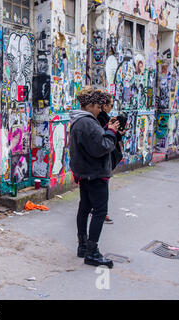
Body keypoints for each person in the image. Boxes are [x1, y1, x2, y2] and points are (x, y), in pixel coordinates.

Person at [69, 86, 120, 268]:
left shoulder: (80, 121)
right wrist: (111, 132)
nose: (100, 109)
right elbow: (102, 146)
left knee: (84, 208)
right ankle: (92, 252)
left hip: (85, 173)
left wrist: (106, 128)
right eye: (98, 106)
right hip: (95, 174)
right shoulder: (88, 122)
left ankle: (83, 246)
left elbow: (92, 143)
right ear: (90, 105)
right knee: (99, 212)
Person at [96, 91, 125, 224]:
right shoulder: (100, 119)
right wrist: (113, 130)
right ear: (103, 106)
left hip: (101, 161)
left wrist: (115, 130)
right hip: (102, 161)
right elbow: (105, 139)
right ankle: (101, 212)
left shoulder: (102, 118)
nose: (111, 108)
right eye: (110, 105)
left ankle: (98, 210)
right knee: (101, 188)